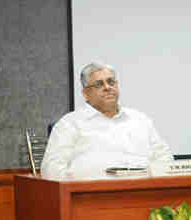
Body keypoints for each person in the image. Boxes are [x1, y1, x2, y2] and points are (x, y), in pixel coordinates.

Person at [41, 62, 173, 179]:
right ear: (85, 93)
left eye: (111, 82)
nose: (107, 87)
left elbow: (165, 158)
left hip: (143, 194)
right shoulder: (69, 124)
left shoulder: (140, 120)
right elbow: (52, 171)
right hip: (92, 198)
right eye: (99, 84)